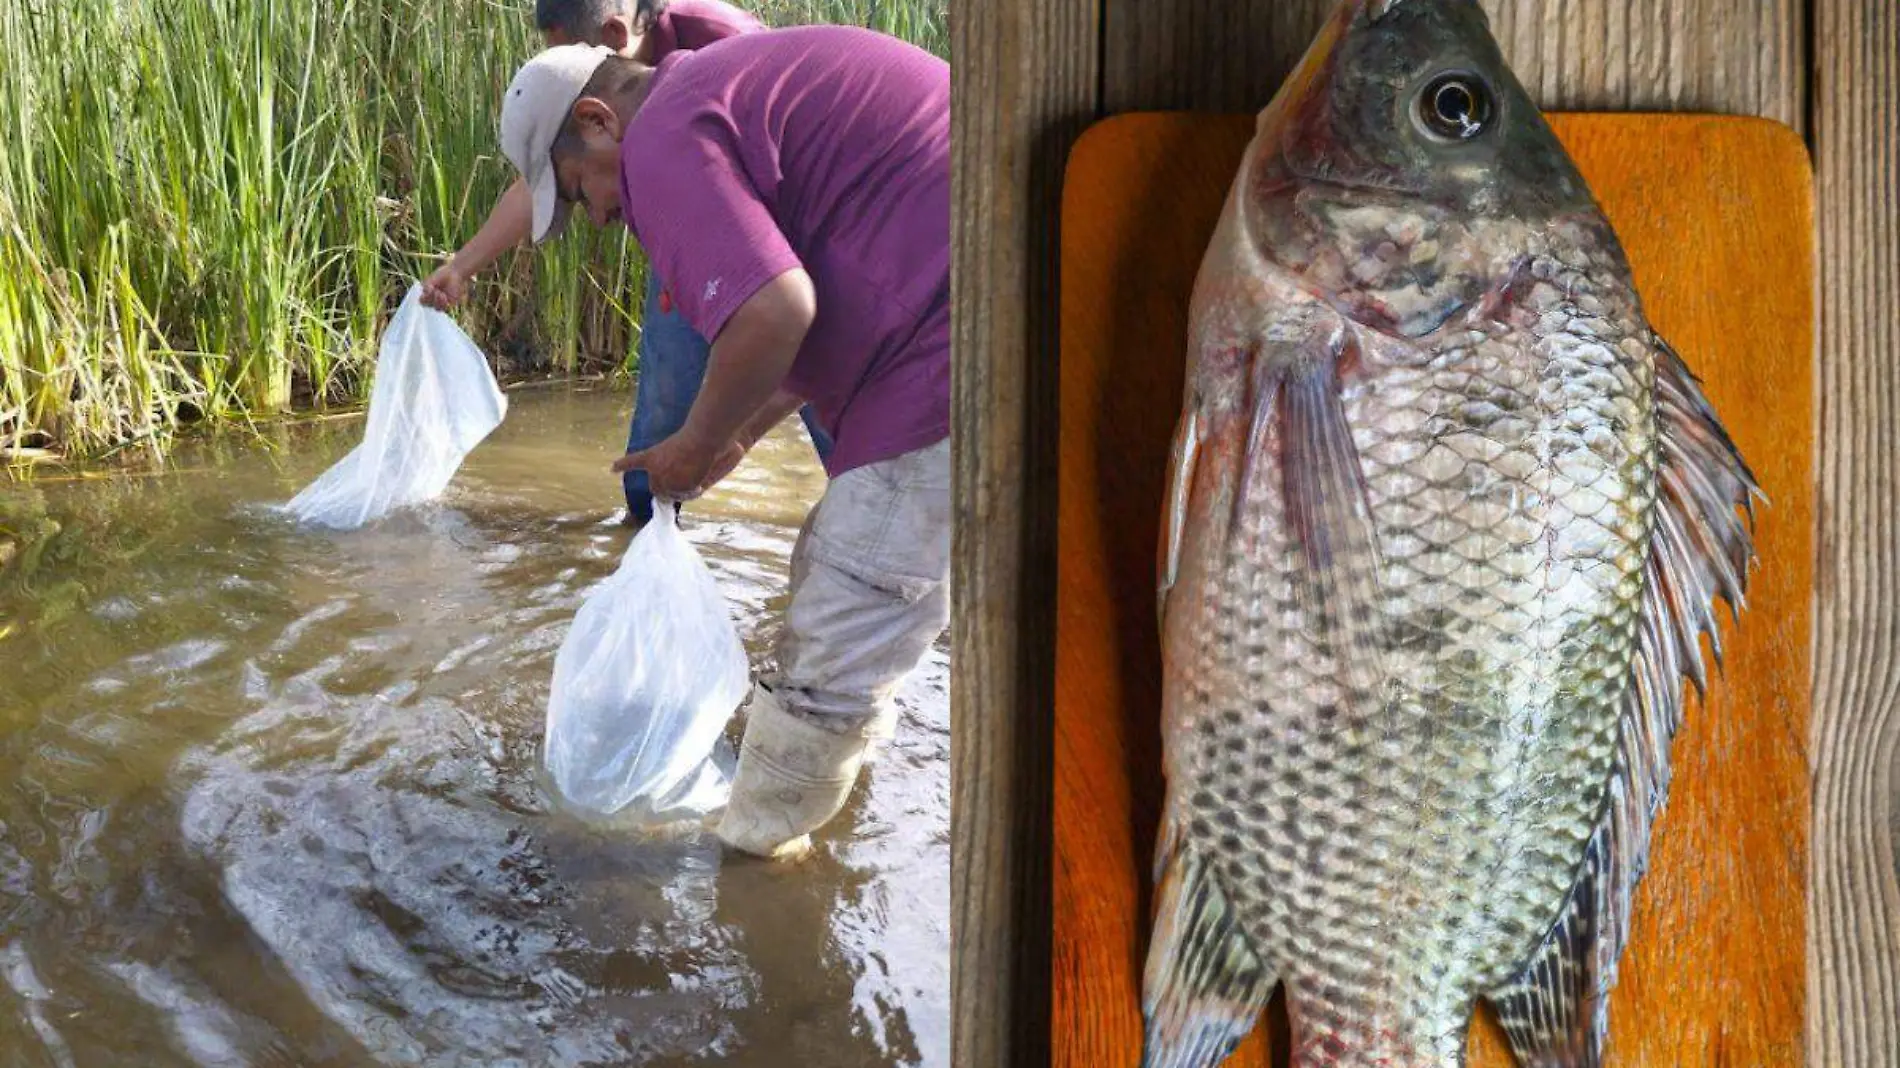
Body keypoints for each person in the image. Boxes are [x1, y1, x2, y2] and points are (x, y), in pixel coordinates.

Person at [498, 26, 948, 859]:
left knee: (838, 636)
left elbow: (776, 310)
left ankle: (762, 874)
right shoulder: (707, 89)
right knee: (838, 587)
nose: (597, 218)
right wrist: (741, 429)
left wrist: (698, 443)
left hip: (952, 342)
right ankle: (833, 820)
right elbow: (828, 287)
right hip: (955, 311)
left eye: (576, 189)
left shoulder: (661, 141)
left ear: (598, 122)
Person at [420, 0, 833, 528]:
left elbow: (789, 293)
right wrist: (464, 264)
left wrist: (730, 431)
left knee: (825, 377)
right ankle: (650, 525)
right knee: (668, 400)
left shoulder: (718, 44)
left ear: (614, 35)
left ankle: (855, 469)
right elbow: (556, 170)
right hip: (703, 231)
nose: (594, 220)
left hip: (780, 232)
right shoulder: (611, 101)